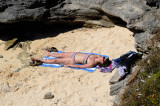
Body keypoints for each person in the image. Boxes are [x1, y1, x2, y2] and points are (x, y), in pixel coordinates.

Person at [31, 49, 111, 68]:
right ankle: (49, 53)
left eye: (104, 58)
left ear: (102, 62)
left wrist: (70, 65)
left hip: (73, 60)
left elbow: (80, 66)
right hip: (75, 54)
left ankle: (40, 60)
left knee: (56, 60)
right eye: (104, 57)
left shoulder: (92, 63)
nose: (103, 57)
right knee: (61, 54)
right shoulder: (97, 56)